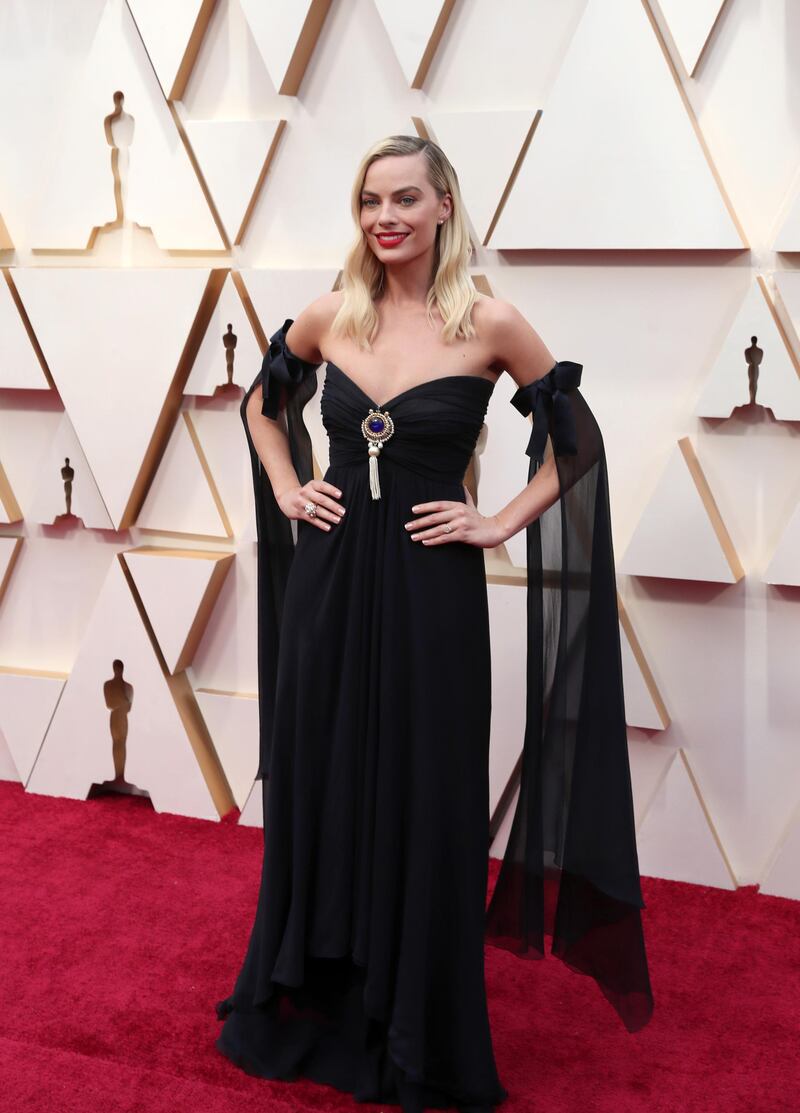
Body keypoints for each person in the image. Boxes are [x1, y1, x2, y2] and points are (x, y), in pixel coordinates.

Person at [215, 134, 653, 1113]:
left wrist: (495, 520)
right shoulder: (333, 310)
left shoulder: (489, 320)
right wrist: (290, 488)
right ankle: (316, 987)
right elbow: (260, 403)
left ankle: (413, 1018)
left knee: (424, 786)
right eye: (370, 200)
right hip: (331, 583)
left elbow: (575, 445)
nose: (385, 217)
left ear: (444, 204)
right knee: (326, 774)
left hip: (430, 587)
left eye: (405, 198)